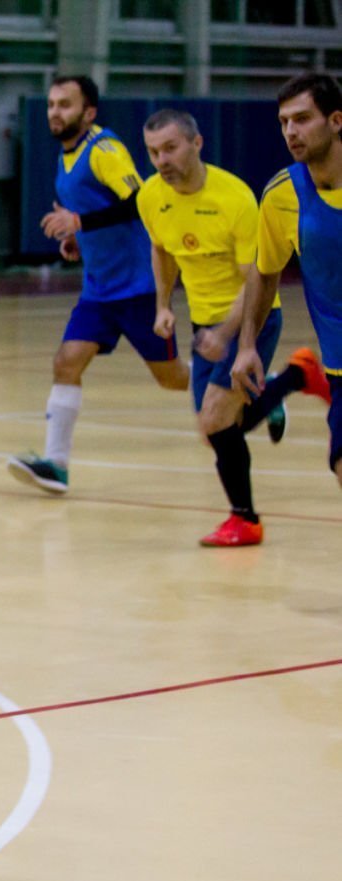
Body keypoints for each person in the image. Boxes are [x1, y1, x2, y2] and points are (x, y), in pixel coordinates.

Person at [137, 109, 320, 547]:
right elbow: (161, 250)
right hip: (205, 324)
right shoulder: (151, 196)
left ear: (196, 144)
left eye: (170, 148)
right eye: (153, 152)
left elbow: (256, 279)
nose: (161, 160)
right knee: (212, 431)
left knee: (217, 420)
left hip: (253, 315)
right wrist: (163, 305)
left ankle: (245, 520)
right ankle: (295, 377)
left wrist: (226, 335)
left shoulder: (234, 198)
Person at [8, 75, 190, 495]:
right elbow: (94, 214)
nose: (55, 112)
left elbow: (137, 201)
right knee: (66, 362)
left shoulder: (104, 150)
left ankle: (254, 387)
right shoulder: (66, 155)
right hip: (99, 290)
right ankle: (56, 466)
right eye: (51, 104)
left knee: (173, 377)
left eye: (65, 104)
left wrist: (79, 221)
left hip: (138, 287)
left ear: (88, 112)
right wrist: (79, 239)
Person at [235, 71, 342, 493]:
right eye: (284, 122)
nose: (291, 131)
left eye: (302, 119)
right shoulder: (282, 195)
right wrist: (247, 346)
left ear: (336, 120)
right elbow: (265, 273)